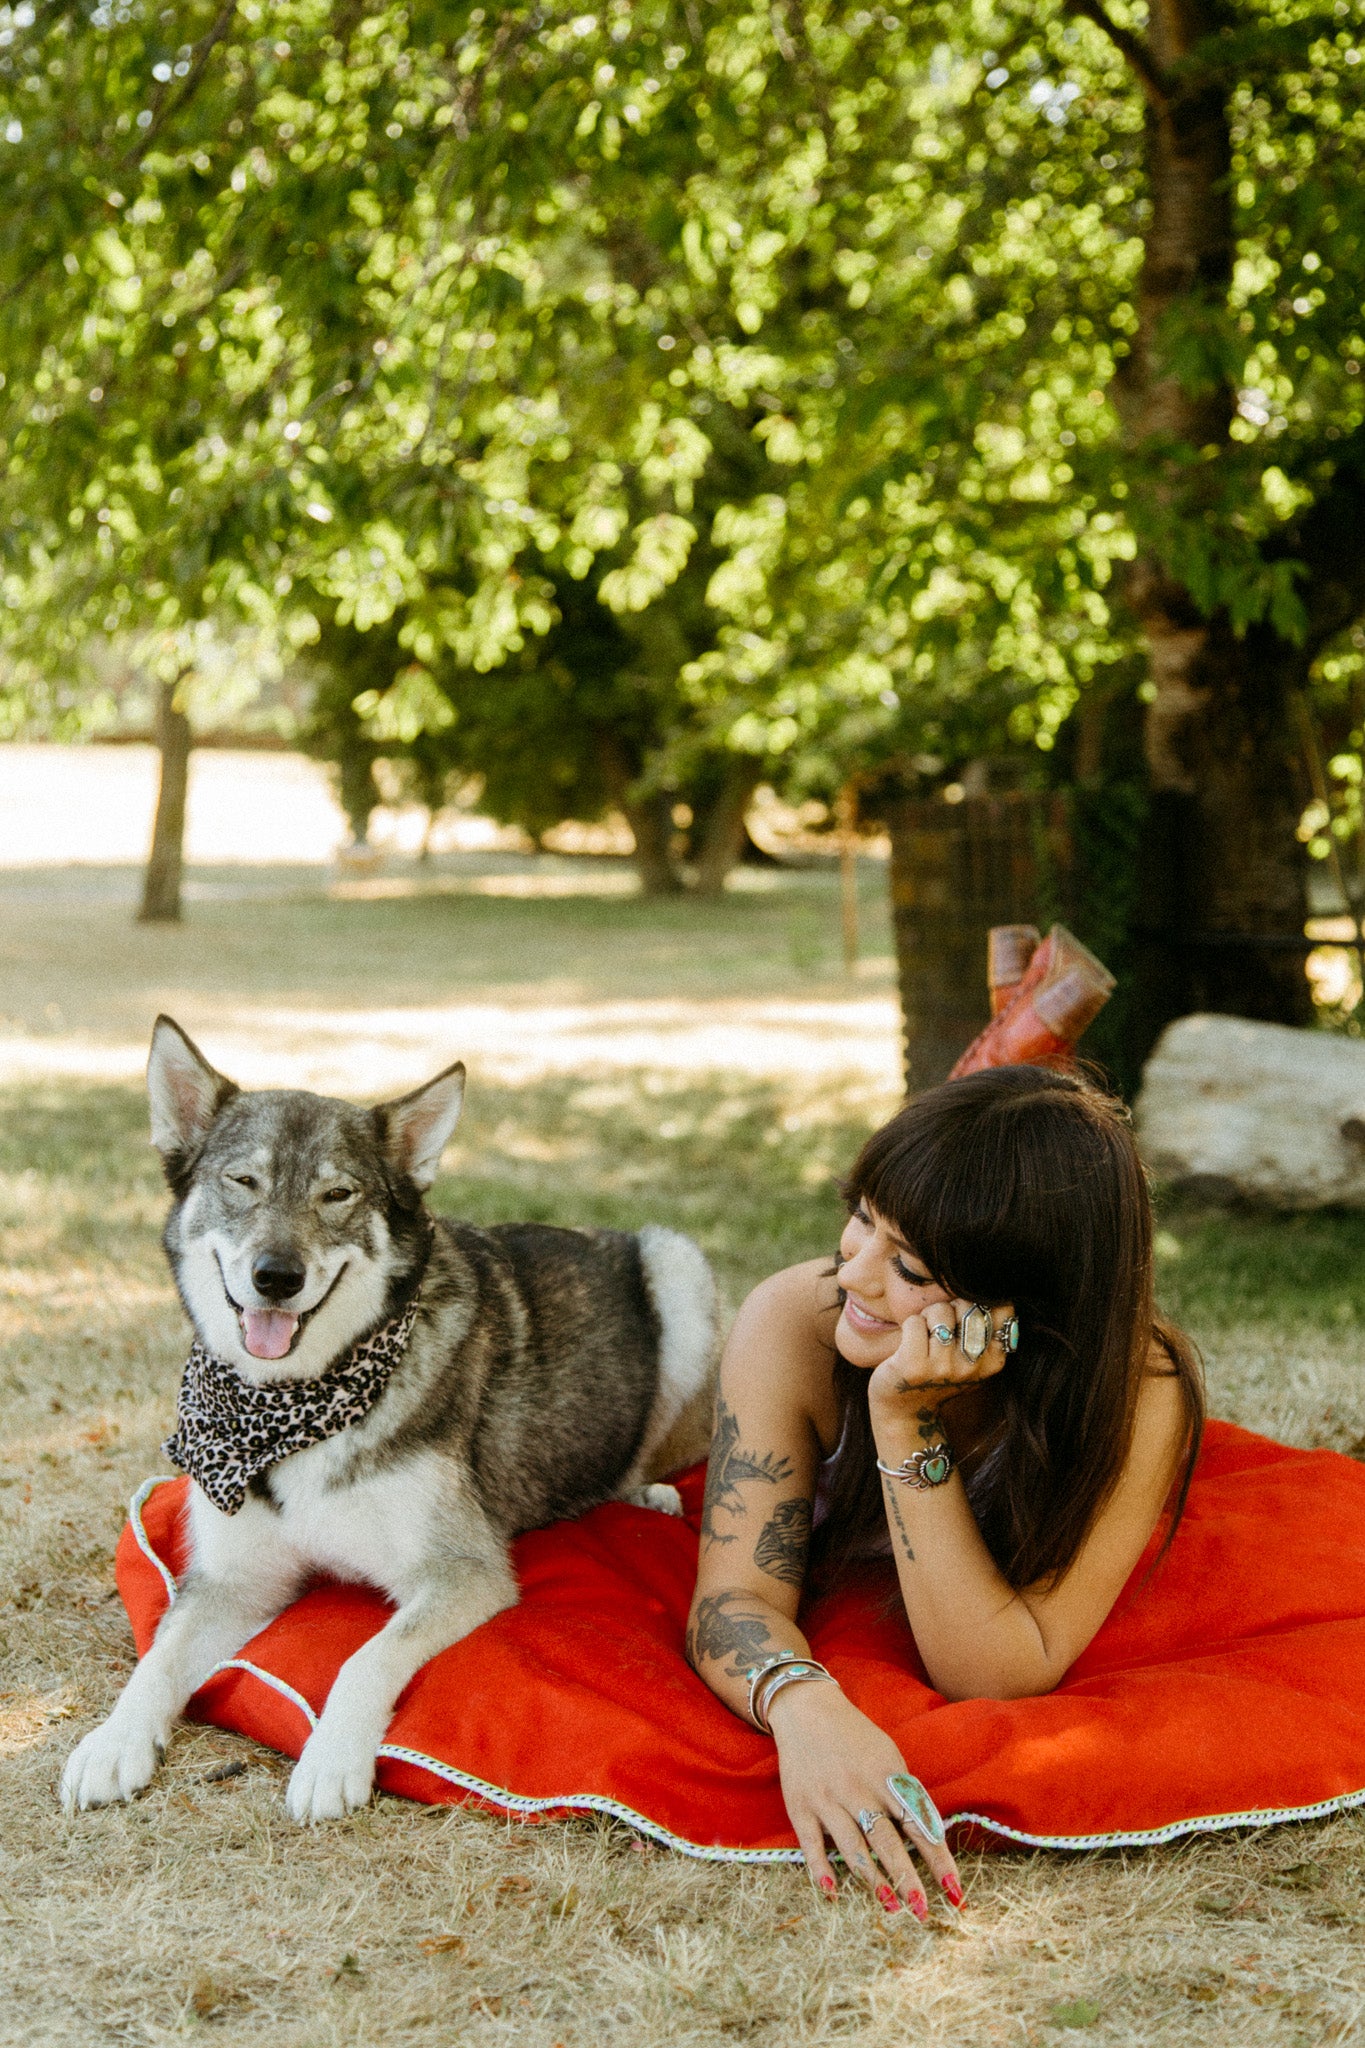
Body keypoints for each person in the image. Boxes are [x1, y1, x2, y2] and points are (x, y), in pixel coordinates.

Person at [686, 1064, 1203, 1919]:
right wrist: (803, 1706)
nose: (853, 1276)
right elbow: (733, 1596)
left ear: (1022, 1304)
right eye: (861, 1219)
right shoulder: (794, 1319)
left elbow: (995, 1672)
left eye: (910, 1267)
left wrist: (904, 1419)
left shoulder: (1137, 1390)